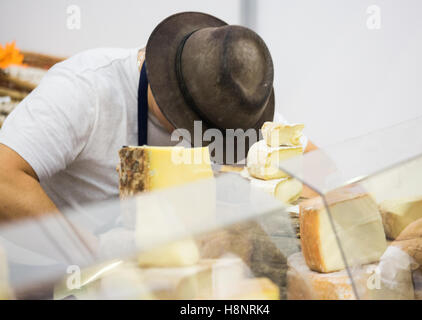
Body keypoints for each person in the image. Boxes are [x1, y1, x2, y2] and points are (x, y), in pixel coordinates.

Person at [0, 12, 316, 221]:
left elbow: (317, 168)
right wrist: (89, 255)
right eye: (202, 130)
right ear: (167, 88)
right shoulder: (86, 88)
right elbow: (4, 177)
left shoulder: (233, 97)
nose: (213, 140)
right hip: (59, 276)